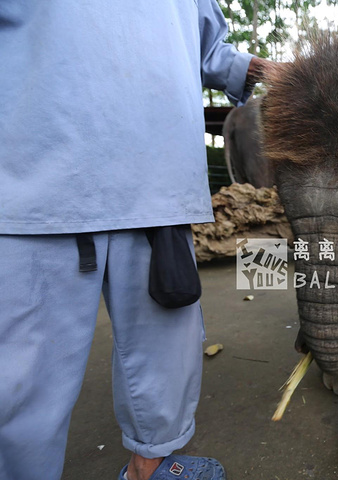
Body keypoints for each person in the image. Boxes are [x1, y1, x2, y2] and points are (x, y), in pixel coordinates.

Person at [0, 2, 274, 479]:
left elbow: (206, 44)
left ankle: (151, 468)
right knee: (19, 394)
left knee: (167, 361)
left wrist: (262, 69)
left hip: (160, 183)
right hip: (41, 180)